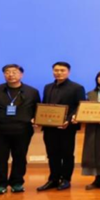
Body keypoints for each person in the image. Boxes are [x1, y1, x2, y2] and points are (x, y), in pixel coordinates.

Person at [0, 64, 39, 195]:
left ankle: (17, 183)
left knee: (20, 158)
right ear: (4, 75)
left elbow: (37, 109)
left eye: (14, 72)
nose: (11, 74)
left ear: (21, 74)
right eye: (7, 72)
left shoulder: (32, 92)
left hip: (23, 131)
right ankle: (0, 184)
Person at [38, 61, 86, 192]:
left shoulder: (77, 88)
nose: (59, 73)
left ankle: (66, 179)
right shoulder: (48, 87)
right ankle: (53, 179)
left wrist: (68, 120)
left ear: (68, 72)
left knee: (67, 154)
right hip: (49, 127)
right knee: (52, 154)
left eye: (62, 70)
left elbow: (80, 106)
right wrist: (39, 118)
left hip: (67, 127)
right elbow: (44, 105)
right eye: (56, 70)